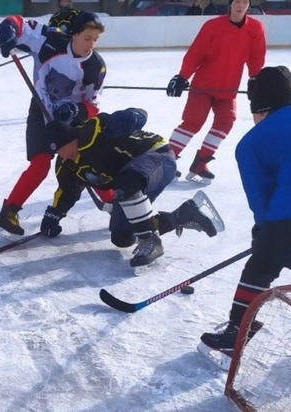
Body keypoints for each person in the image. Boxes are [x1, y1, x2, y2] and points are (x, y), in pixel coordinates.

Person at [40, 109, 218, 267]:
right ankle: (181, 215)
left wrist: (131, 117)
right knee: (122, 237)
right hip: (132, 178)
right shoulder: (68, 165)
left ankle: (151, 241)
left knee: (126, 182)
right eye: (57, 152)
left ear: (73, 138)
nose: (62, 155)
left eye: (63, 148)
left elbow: (140, 114)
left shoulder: (95, 132)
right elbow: (67, 191)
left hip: (158, 157)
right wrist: (53, 216)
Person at [200, 66, 291, 354]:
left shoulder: (252, 143)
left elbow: (261, 200)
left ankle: (237, 332)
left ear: (259, 107)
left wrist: (263, 234)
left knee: (260, 267)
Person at [0, 11, 107, 236]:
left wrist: (76, 111)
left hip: (71, 120)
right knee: (40, 164)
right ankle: (8, 212)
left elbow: (94, 105)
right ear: (73, 34)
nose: (91, 44)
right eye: (87, 38)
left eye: (95, 39)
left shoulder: (95, 66)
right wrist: (8, 30)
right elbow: (19, 23)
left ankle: (116, 204)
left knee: (85, 161)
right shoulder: (49, 41)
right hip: (40, 110)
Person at [166, 0, 265, 184]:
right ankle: (166, 161)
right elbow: (196, 52)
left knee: (226, 121)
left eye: (244, 2)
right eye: (237, 1)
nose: (240, 5)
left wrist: (255, 78)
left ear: (248, 5)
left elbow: (257, 55)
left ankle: (201, 162)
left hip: (228, 88)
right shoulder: (212, 26)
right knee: (192, 122)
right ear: (230, 4)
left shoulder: (256, 28)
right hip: (203, 86)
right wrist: (182, 76)